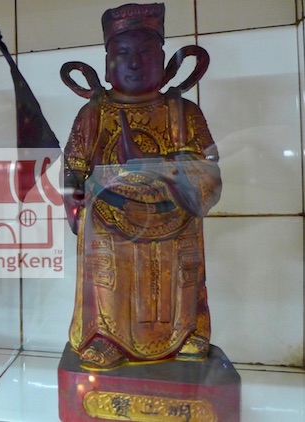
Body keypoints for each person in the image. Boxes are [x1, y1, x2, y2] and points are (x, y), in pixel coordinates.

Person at [62, 3, 222, 370]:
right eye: (123, 53)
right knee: (110, 281)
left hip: (174, 215)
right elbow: (73, 166)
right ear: (107, 65)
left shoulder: (183, 112)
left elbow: (208, 170)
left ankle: (187, 332)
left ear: (164, 61)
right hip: (109, 218)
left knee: (179, 279)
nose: (134, 63)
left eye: (146, 52)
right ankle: (106, 337)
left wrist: (165, 167)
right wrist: (74, 194)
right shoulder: (94, 114)